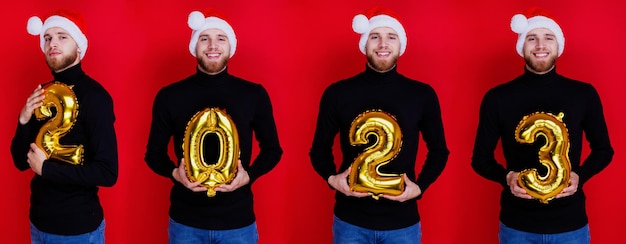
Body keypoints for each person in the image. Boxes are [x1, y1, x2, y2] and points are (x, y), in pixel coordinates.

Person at [471, 7, 614, 243]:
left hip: (571, 226)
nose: (540, 45)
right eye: (532, 38)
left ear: (558, 45)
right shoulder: (498, 97)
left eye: (548, 38)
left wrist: (580, 175)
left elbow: (604, 150)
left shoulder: (583, 94)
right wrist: (506, 177)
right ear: (522, 46)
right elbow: (480, 159)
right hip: (517, 227)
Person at [309, 6, 449, 244]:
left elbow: (439, 150)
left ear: (400, 44)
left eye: (390, 37)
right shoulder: (338, 93)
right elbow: (319, 150)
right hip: (350, 223)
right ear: (365, 44)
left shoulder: (421, 94)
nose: (383, 44)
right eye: (375, 37)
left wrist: (420, 186)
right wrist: (333, 179)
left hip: (402, 224)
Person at [144, 8, 283, 243]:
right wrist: (175, 173)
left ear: (231, 46)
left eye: (221, 38)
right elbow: (153, 154)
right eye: (204, 38)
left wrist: (248, 176)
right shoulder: (170, 96)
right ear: (194, 46)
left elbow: (273, 150)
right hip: (185, 221)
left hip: (237, 221)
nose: (212, 46)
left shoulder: (253, 94)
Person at [10, 9, 118, 243]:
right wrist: (24, 118)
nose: (53, 43)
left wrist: (47, 169)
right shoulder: (43, 94)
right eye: (47, 38)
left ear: (79, 46)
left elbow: (108, 173)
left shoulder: (96, 97)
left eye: (62, 36)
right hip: (38, 224)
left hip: (77, 229)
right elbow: (20, 161)